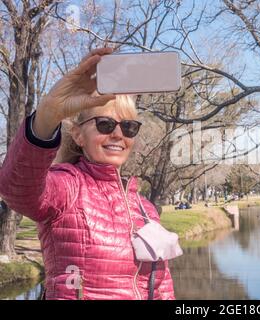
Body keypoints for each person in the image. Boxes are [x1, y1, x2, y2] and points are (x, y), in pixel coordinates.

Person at [0, 48, 175, 300]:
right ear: (79, 135)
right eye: (105, 124)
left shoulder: (145, 207)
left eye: (129, 127)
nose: (118, 134)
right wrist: (47, 117)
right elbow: (16, 188)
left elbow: (163, 288)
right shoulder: (67, 186)